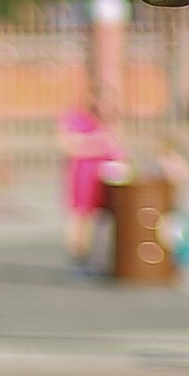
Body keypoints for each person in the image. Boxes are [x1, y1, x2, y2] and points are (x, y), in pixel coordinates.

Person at [58, 98, 120, 267]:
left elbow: (117, 149)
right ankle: (78, 258)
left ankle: (99, 260)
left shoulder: (107, 124)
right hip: (82, 178)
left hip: (104, 180)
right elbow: (68, 145)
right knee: (79, 218)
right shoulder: (75, 119)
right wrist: (97, 142)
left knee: (102, 222)